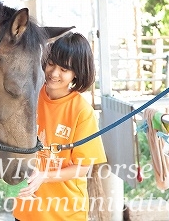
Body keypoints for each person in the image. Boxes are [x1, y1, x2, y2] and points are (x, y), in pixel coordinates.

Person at [12, 32, 107, 221]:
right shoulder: (30, 97)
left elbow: (82, 168)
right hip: (27, 210)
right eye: (51, 63)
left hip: (65, 213)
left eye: (64, 69)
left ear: (77, 73)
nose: (54, 73)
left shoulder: (81, 111)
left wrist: (43, 176)